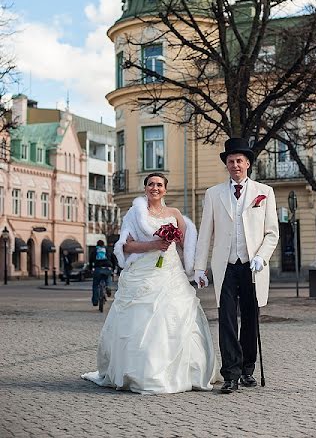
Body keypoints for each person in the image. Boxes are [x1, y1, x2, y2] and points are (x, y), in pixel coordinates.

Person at [82, 172, 219, 394]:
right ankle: (140, 371)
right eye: (151, 184)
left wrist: (197, 269)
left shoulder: (174, 214)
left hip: (171, 273)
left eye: (159, 185)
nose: (155, 188)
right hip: (142, 273)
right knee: (139, 319)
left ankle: (188, 371)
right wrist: (154, 244)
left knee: (175, 315)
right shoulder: (134, 214)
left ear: (165, 189)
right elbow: (125, 246)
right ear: (145, 188)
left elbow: (187, 245)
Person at [195, 137, 279, 394]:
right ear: (227, 165)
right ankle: (230, 374)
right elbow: (205, 232)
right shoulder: (213, 194)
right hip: (226, 265)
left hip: (252, 266)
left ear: (248, 164)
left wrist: (261, 256)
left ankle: (247, 370)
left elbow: (272, 233)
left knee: (251, 319)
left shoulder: (264, 192)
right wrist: (200, 267)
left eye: (239, 161)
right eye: (231, 161)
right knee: (227, 319)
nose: (235, 165)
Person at [89, 239, 114, 306]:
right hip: (107, 268)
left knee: (95, 285)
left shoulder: (94, 250)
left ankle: (95, 301)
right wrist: (113, 268)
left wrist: (90, 268)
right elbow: (113, 259)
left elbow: (90, 260)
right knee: (108, 277)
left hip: (98, 269)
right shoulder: (108, 250)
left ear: (97, 245)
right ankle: (108, 286)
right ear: (103, 244)